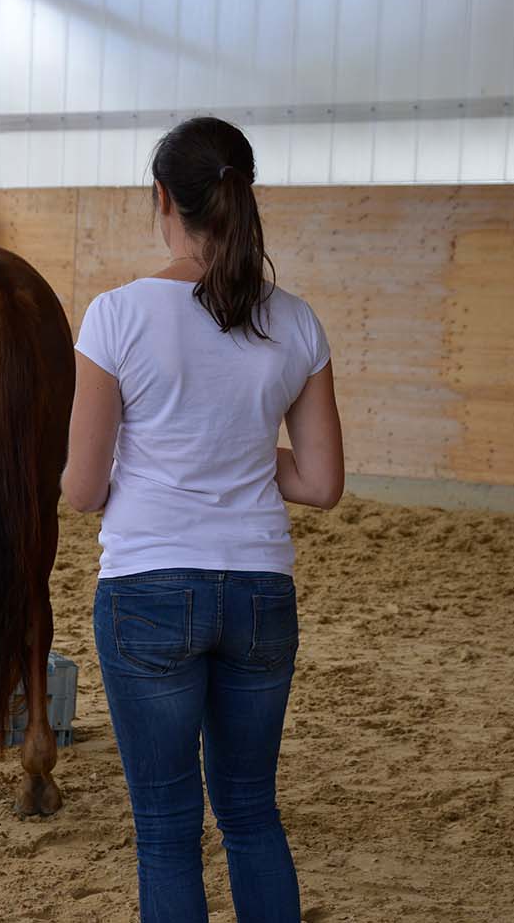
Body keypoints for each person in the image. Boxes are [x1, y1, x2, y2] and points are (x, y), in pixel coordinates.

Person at [62, 117, 345, 923]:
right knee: (253, 815)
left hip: (148, 590)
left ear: (164, 200)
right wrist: (244, 457)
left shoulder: (116, 316)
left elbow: (82, 491)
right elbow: (322, 482)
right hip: (260, 592)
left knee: (166, 830)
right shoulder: (297, 321)